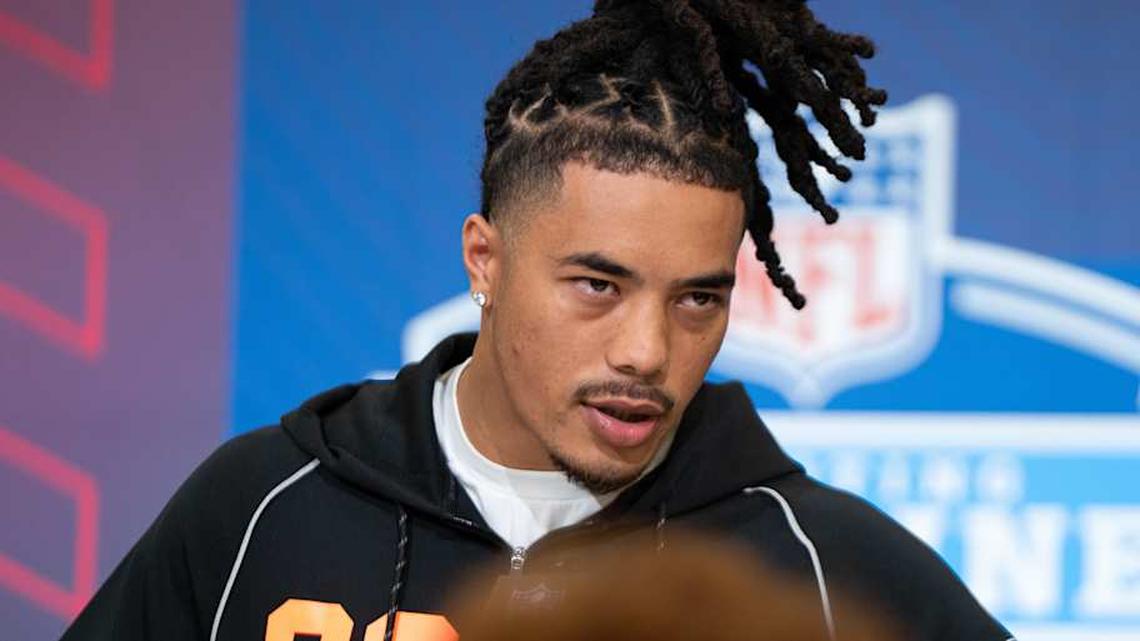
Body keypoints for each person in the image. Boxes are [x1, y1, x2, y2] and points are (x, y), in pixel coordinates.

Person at [62, 2, 1013, 641]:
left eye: (697, 298)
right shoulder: (262, 506)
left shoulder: (822, 572)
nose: (647, 352)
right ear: (485, 259)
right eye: (598, 284)